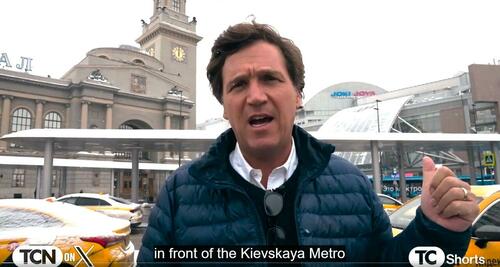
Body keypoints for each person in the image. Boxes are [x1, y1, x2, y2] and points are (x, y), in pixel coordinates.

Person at [138, 21, 479, 265]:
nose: (256, 96)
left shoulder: (352, 185)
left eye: (270, 79)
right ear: (225, 106)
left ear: (298, 96)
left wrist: (437, 232)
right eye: (238, 85)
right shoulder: (180, 194)